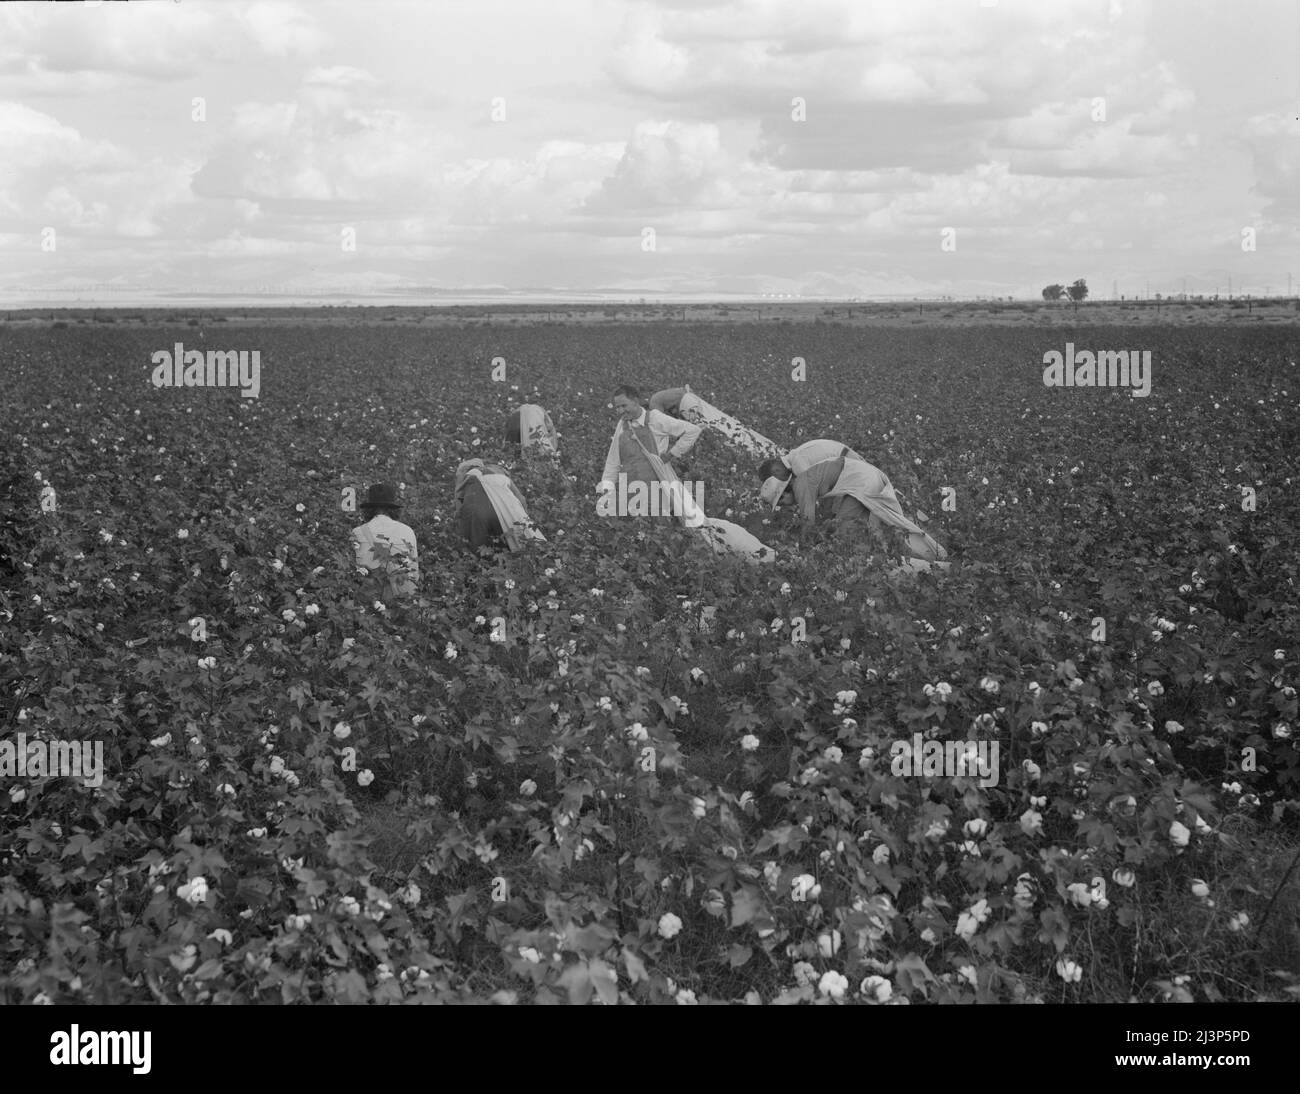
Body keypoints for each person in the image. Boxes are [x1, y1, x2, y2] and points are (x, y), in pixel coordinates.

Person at [757, 441, 947, 567]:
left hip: (861, 482)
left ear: (783, 494)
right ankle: (929, 559)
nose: (786, 507)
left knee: (845, 531)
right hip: (862, 479)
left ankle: (925, 558)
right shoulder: (804, 479)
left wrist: (803, 557)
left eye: (781, 504)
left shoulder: (801, 484)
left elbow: (808, 522)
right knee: (881, 528)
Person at [599, 384, 702, 515]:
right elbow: (613, 459)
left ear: (635, 401)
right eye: (617, 407)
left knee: (662, 524)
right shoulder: (622, 425)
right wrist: (607, 489)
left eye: (624, 406)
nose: (620, 411)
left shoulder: (655, 418)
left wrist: (671, 454)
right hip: (633, 489)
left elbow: (692, 431)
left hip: (658, 487)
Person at [649, 384, 783, 459]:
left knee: (711, 429)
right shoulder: (659, 396)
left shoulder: (654, 404)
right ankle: (755, 445)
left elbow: (662, 425)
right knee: (715, 422)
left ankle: (744, 447)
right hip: (691, 400)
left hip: (686, 404)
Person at [454, 458, 547, 552]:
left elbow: (458, 498)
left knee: (477, 546)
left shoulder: (468, 474)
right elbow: (521, 499)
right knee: (524, 542)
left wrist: (459, 517)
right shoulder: (500, 473)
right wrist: (525, 518)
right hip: (510, 512)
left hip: (480, 513)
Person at [351, 482, 419, 598]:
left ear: (368, 509)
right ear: (394, 509)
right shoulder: (408, 531)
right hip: (401, 598)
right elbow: (414, 574)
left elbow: (352, 573)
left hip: (369, 598)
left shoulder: (357, 532)